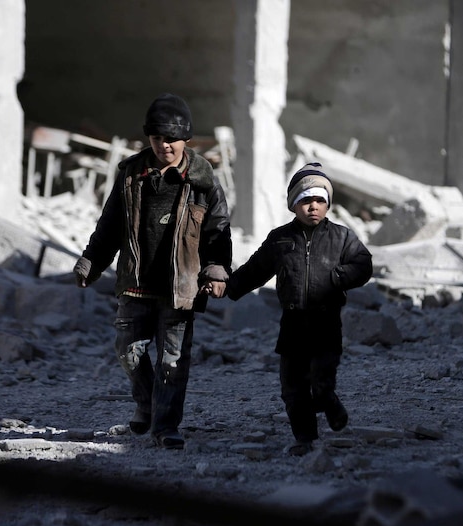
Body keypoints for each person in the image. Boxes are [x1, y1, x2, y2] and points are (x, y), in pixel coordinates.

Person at [73, 93, 231, 450]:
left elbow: (218, 230)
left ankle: (165, 426)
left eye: (172, 139)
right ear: (149, 138)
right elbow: (110, 225)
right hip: (136, 283)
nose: (165, 145)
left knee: (172, 362)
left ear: (185, 139)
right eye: (158, 138)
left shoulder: (202, 181)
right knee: (128, 352)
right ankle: (147, 402)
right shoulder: (131, 174)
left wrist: (217, 271)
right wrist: (90, 262)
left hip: (180, 286)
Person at [217, 162, 373, 456]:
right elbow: (255, 269)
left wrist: (338, 277)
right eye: (305, 200)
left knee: (321, 382)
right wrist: (230, 287)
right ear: (293, 204)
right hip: (292, 326)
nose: (312, 206)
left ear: (327, 204)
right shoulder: (280, 239)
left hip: (327, 325)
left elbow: (364, 265)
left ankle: (330, 402)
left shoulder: (342, 237)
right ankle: (305, 440)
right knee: (292, 387)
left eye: (319, 200)